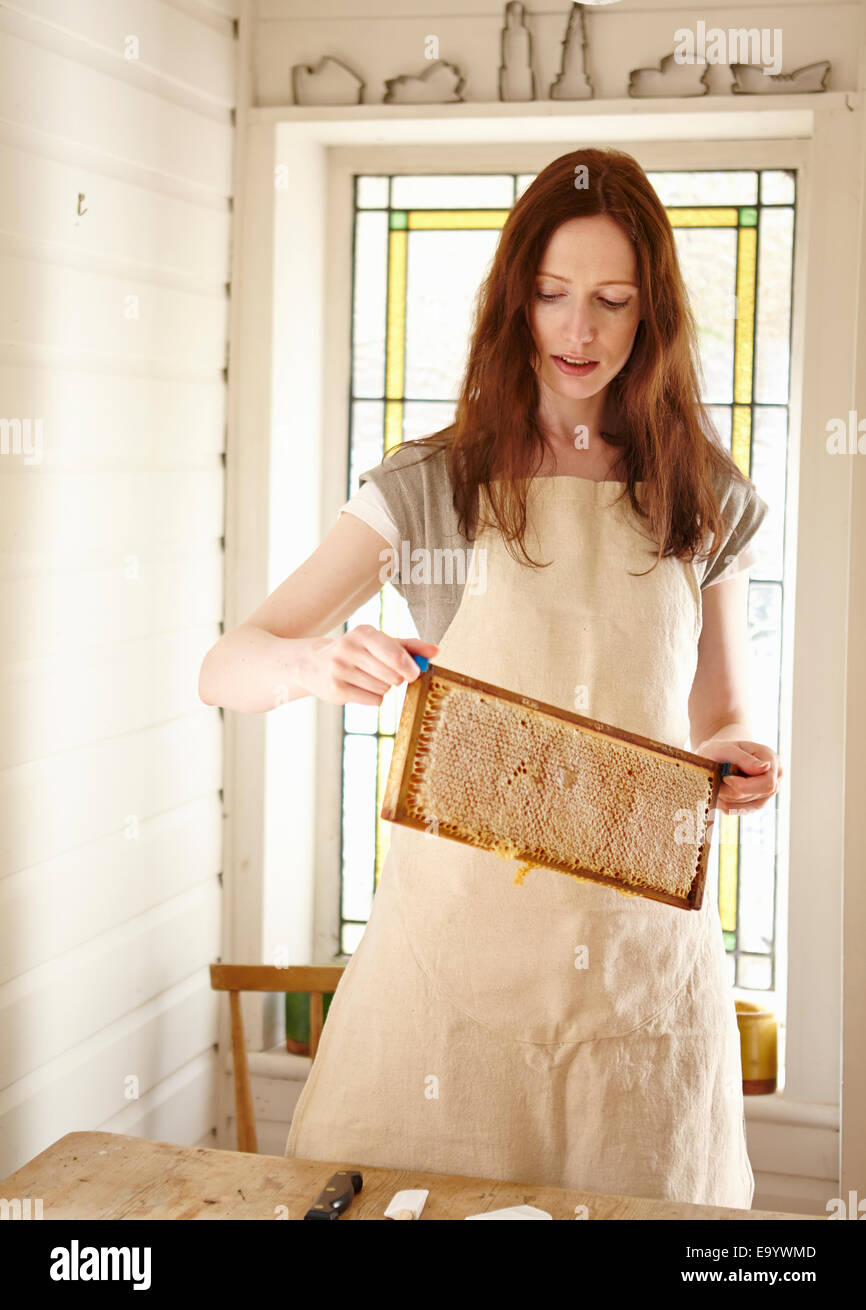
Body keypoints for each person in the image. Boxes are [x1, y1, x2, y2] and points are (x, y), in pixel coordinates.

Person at [199, 147, 782, 1208]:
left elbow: (719, 704)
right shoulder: (430, 485)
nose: (578, 331)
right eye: (553, 296)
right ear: (512, 301)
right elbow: (223, 668)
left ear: (651, 315)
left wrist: (733, 754)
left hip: (638, 982)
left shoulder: (703, 494)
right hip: (447, 982)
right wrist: (314, 659)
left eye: (612, 301)